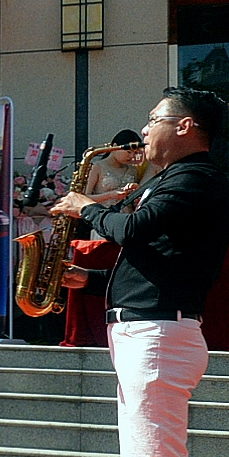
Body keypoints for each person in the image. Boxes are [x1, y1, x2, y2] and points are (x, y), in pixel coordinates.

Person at [52, 87, 229, 457]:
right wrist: (89, 281)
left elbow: (133, 231)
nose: (145, 129)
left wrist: (87, 207)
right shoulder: (176, 180)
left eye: (154, 118)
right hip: (149, 332)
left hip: (158, 337)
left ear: (185, 126)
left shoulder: (195, 179)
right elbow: (158, 259)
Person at [57, 131, 146, 350]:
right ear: (114, 146)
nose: (131, 156)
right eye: (128, 151)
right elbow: (83, 198)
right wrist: (112, 195)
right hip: (100, 226)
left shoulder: (132, 170)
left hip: (124, 226)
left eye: (135, 152)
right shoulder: (97, 166)